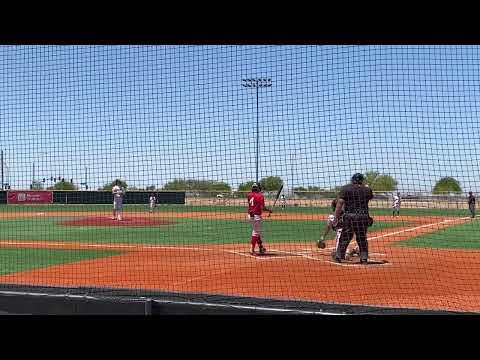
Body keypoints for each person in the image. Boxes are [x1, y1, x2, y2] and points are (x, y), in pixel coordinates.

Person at [332, 173, 374, 264]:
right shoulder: (367, 190)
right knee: (362, 237)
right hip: (363, 216)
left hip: (350, 216)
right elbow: (369, 199)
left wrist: (336, 217)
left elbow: (340, 203)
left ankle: (339, 256)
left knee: (345, 237)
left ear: (352, 180)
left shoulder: (346, 188)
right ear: (361, 180)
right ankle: (364, 258)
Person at [247, 182, 272, 255]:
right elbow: (262, 208)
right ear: (258, 188)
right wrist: (269, 210)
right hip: (256, 216)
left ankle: (261, 247)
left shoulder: (249, 195)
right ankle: (251, 249)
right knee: (256, 232)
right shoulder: (260, 196)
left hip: (249, 215)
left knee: (257, 231)